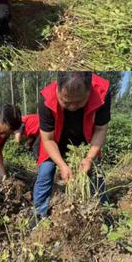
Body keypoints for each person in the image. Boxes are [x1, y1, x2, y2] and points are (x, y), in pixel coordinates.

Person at [33, 72, 111, 219]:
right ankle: (38, 216)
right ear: (57, 89)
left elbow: (100, 129)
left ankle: (104, 214)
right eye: (66, 102)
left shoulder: (102, 94)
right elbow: (48, 140)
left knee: (96, 174)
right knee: (45, 172)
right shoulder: (46, 100)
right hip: (55, 141)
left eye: (79, 102)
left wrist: (89, 158)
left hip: (87, 141)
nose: (73, 107)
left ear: (89, 91)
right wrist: (62, 165)